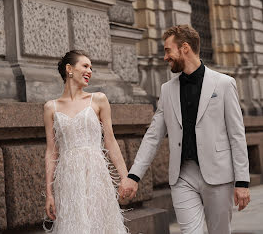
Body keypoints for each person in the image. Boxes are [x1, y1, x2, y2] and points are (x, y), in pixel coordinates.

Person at [119, 25, 250, 234]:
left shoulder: (224, 84)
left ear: (185, 48)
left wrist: (242, 181)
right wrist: (134, 176)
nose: (165, 57)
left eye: (168, 50)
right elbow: (153, 136)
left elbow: (237, 135)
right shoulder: (167, 89)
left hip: (218, 176)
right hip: (182, 177)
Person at [43, 50, 129, 234]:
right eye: (85, 66)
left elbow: (111, 142)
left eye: (91, 67)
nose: (90, 70)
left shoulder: (98, 99)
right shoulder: (51, 107)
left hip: (96, 175)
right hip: (68, 180)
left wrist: (125, 177)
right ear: (69, 69)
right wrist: (49, 194)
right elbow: (51, 152)